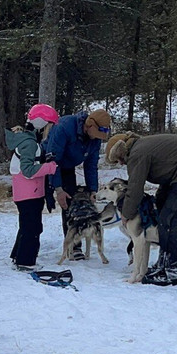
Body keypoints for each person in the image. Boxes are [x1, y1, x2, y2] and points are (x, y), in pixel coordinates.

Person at [106, 131, 177, 286]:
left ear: (122, 152)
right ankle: (164, 264)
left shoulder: (137, 154)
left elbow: (135, 188)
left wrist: (126, 214)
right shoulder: (144, 147)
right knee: (166, 214)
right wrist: (158, 203)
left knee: (172, 218)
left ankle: (172, 270)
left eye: (118, 159)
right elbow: (166, 178)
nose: (120, 163)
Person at [44, 108, 112, 259]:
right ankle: (26, 248)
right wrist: (58, 189)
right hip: (48, 164)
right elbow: (52, 160)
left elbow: (91, 165)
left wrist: (92, 190)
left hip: (68, 167)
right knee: (41, 203)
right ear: (89, 126)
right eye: (97, 134)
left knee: (69, 202)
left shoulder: (94, 140)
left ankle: (74, 246)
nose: (97, 139)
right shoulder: (64, 127)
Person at [6, 103, 61, 270]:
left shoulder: (28, 141)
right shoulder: (29, 143)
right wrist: (50, 167)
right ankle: (25, 262)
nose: (50, 131)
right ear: (41, 125)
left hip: (29, 193)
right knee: (32, 228)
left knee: (28, 225)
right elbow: (28, 170)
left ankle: (18, 255)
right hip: (29, 194)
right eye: (49, 127)